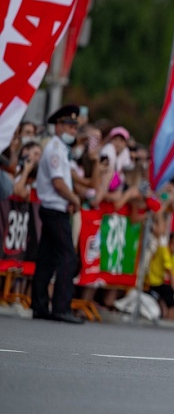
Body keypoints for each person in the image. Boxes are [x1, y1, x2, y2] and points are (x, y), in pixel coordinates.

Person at [31, 105, 84, 324]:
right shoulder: (54, 148)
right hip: (54, 209)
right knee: (67, 257)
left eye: (74, 126)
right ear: (59, 125)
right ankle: (61, 307)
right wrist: (74, 199)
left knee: (46, 259)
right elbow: (58, 183)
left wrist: (68, 200)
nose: (73, 130)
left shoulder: (60, 149)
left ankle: (40, 306)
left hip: (56, 207)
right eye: (70, 126)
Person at [145, 231, 174, 319]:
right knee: (172, 293)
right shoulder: (164, 250)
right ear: (169, 243)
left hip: (162, 283)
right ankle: (168, 318)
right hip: (154, 282)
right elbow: (169, 270)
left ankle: (171, 318)